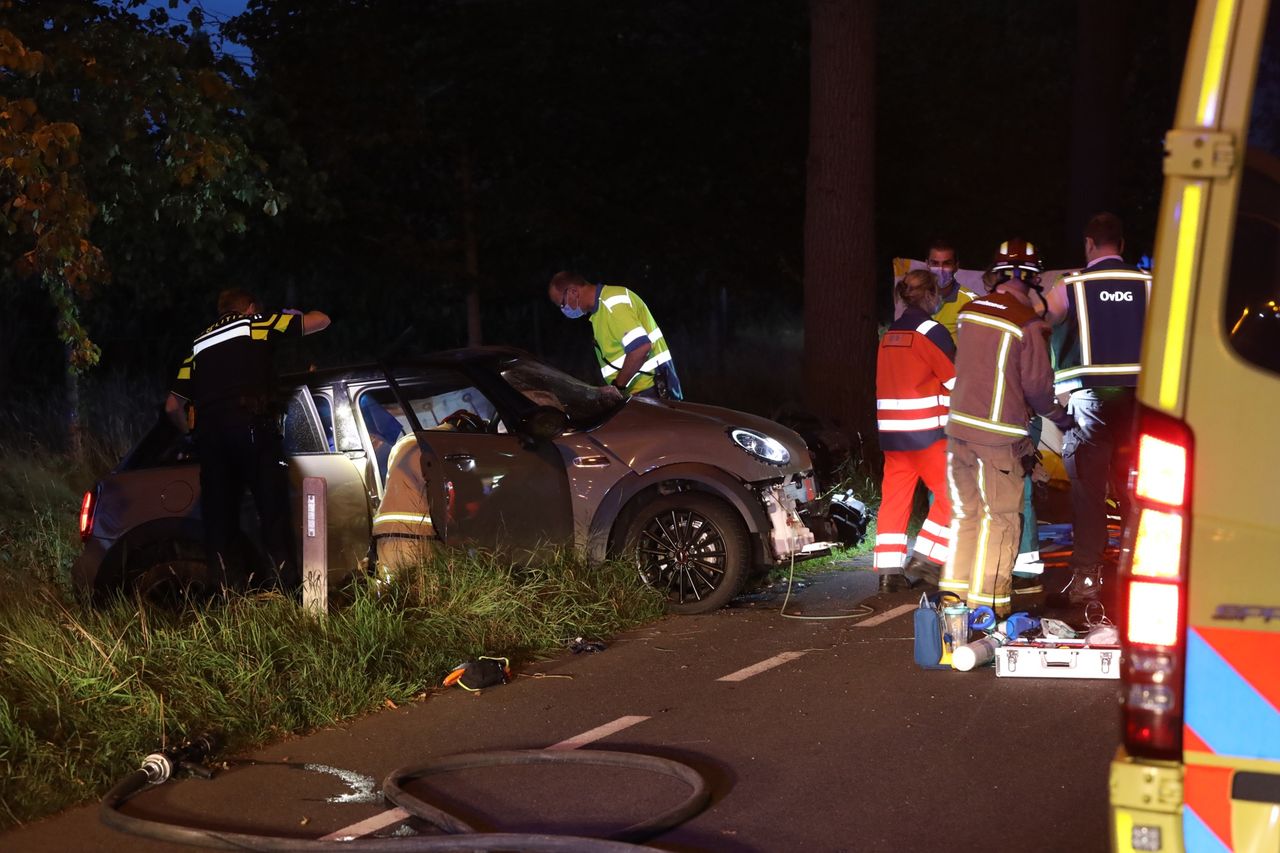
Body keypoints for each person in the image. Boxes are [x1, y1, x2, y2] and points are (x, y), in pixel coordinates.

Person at [165, 288, 331, 592]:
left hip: (212, 444)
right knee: (273, 515)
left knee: (219, 526)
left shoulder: (198, 346)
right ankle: (286, 595)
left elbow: (173, 406)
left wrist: (190, 435)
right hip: (253, 431)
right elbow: (321, 320)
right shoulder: (256, 323)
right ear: (251, 307)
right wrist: (293, 316)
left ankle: (230, 600)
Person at [941, 240, 1074, 617]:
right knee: (1000, 520)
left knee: (966, 516)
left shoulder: (969, 312)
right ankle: (989, 610)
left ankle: (953, 603)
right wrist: (1063, 419)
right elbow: (1038, 389)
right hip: (998, 438)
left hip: (958, 433)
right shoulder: (1028, 324)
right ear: (1032, 279)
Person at [1045, 212, 1150, 604]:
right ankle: (1141, 572)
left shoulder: (1069, 285)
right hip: (1139, 403)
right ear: (1121, 244)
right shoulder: (1149, 283)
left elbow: (1040, 324)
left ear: (1089, 244)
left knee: (1088, 492)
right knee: (1137, 488)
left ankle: (1087, 578)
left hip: (1088, 402)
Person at [872, 269, 956, 593]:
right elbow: (956, 382)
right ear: (931, 295)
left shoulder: (889, 336)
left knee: (895, 500)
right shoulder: (932, 332)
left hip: (893, 437)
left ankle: (888, 573)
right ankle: (926, 558)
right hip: (928, 434)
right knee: (955, 497)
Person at [548, 271, 683, 399]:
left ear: (573, 292)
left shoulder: (612, 304)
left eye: (562, 304)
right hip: (642, 395)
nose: (563, 310)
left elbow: (640, 348)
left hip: (650, 393)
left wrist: (617, 386)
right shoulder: (599, 313)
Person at [924, 238, 977, 341]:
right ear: (927, 264)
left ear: (956, 266)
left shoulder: (970, 302)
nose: (940, 269)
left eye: (946, 263)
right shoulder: (917, 297)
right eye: (935, 263)